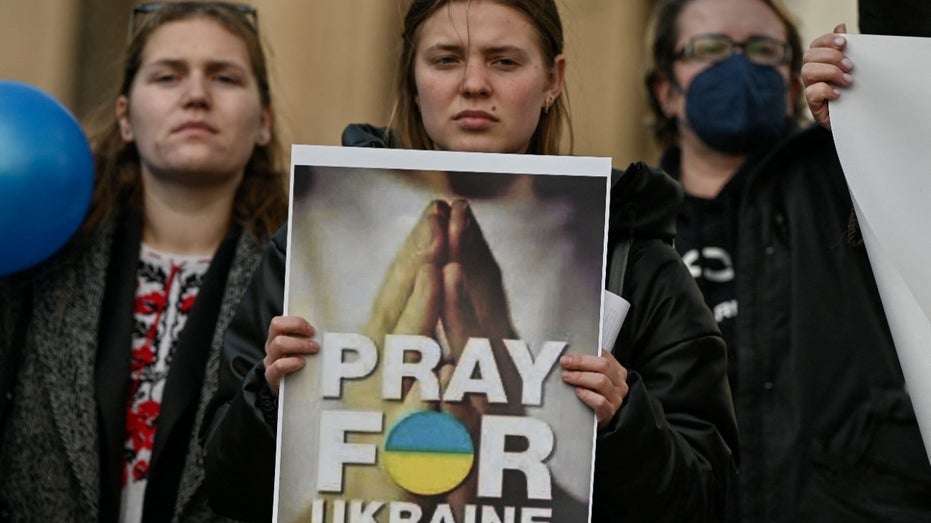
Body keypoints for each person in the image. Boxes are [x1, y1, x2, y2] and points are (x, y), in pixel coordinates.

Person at [201, 0, 737, 521]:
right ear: (413, 77)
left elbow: (709, 496)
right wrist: (271, 399)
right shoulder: (313, 237)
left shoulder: (635, 257)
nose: (474, 83)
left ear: (553, 79)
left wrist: (623, 421)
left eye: (504, 61)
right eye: (446, 59)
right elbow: (227, 487)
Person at [0, 2, 287, 521]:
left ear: (263, 122)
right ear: (126, 117)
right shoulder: (39, 256)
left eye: (224, 77)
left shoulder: (297, 278)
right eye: (167, 75)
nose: (196, 96)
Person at [645, 0, 931, 521]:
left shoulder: (849, 181)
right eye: (710, 48)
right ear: (666, 89)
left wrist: (866, 106)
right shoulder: (630, 224)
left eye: (763, 49)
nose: (738, 63)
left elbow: (918, 106)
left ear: (792, 78)